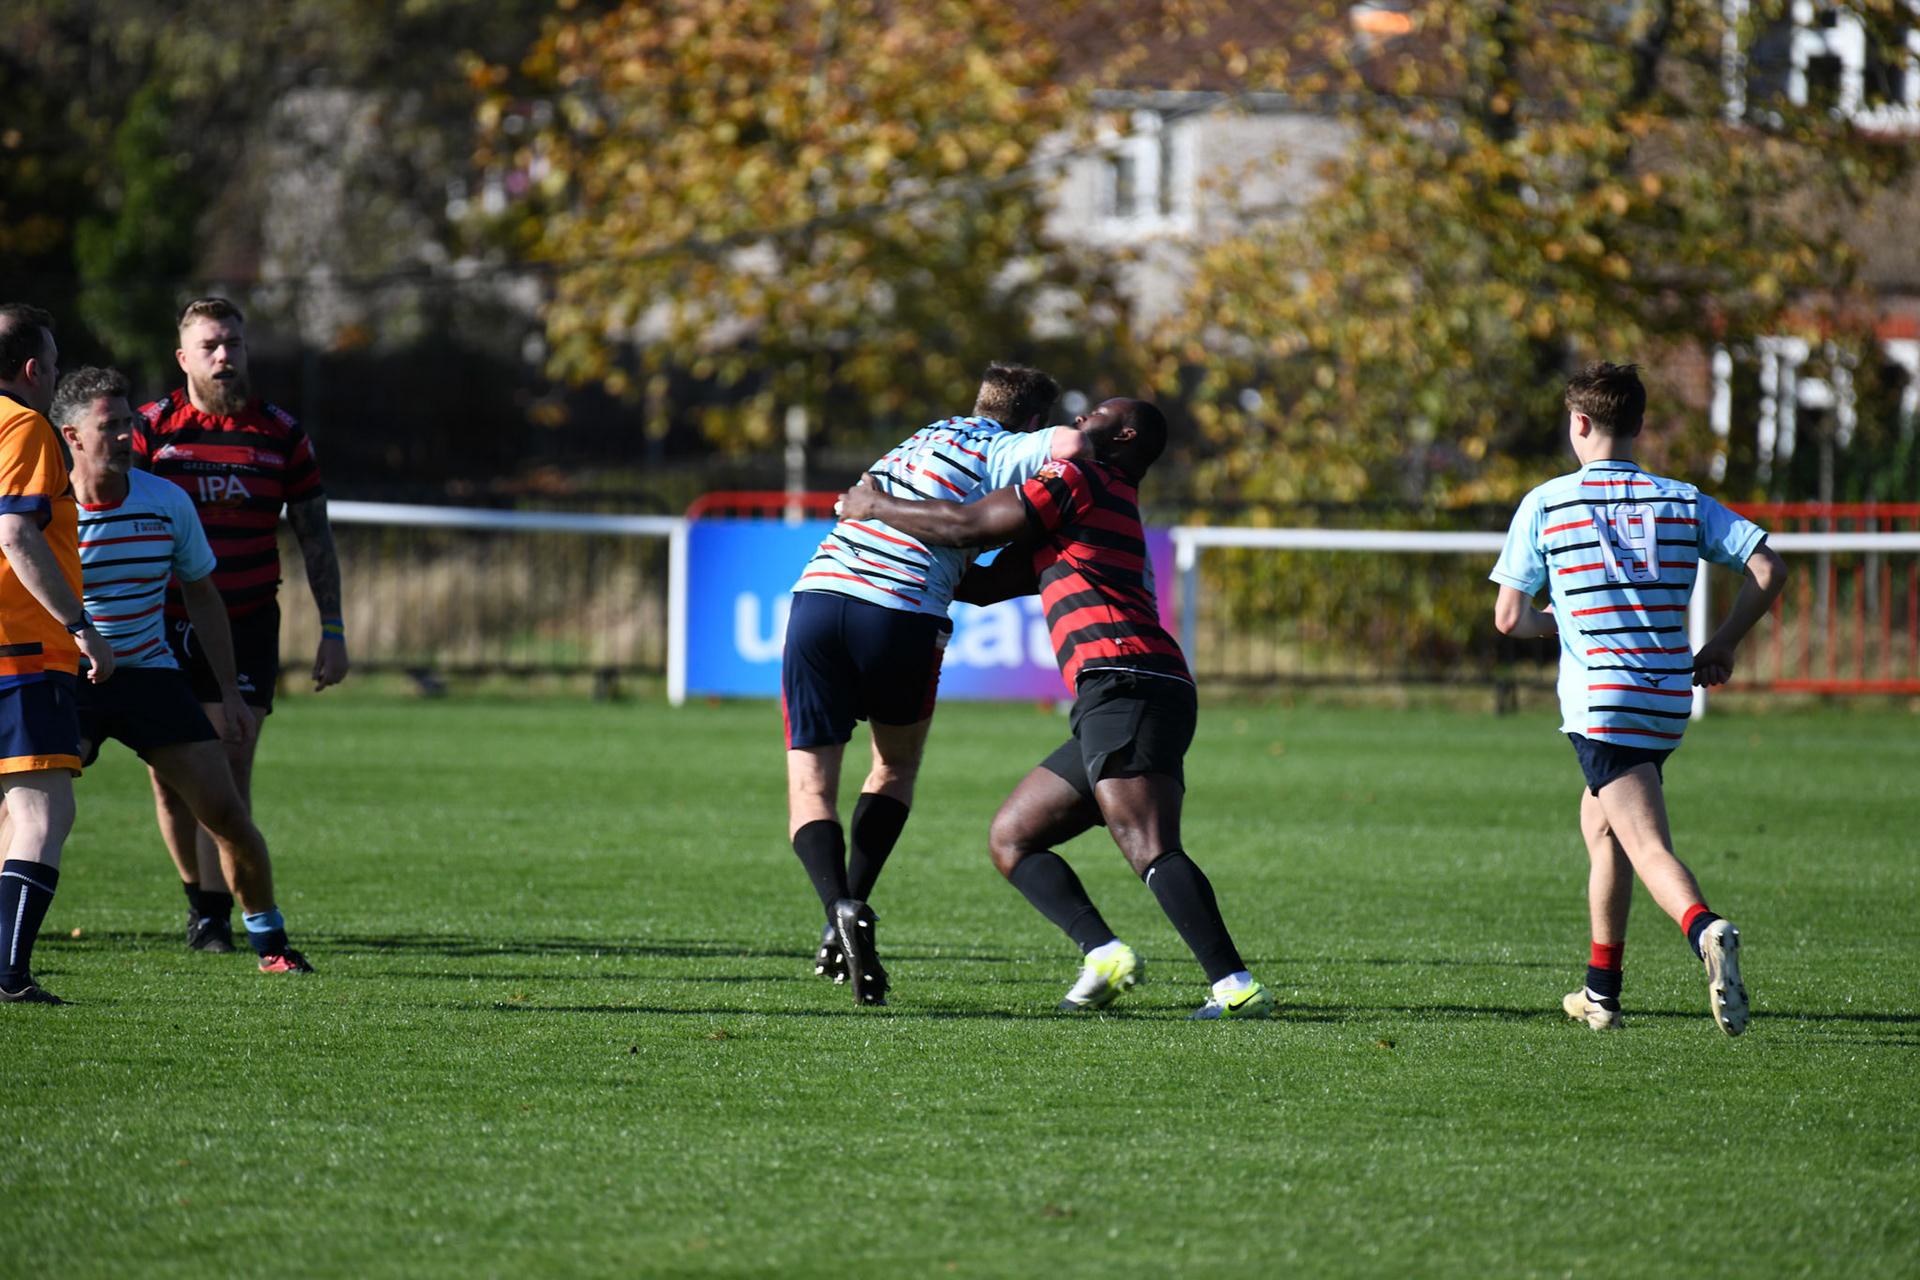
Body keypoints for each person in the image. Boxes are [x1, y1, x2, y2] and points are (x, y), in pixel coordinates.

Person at [838, 398, 1275, 1020]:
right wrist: (896, 538)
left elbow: (970, 526)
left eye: (1096, 411)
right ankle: (1103, 954)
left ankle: (1235, 986)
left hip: (1129, 680)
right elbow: (981, 583)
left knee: (1146, 841)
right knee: (1014, 838)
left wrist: (875, 506)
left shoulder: (1083, 478)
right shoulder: (1084, 510)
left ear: (1123, 434)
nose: (1078, 416)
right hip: (1121, 690)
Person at [1490, 361, 1787, 1036]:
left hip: (1603, 701)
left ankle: (1705, 930)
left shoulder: (1548, 502)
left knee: (1645, 844)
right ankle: (1601, 995)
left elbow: (1509, 618)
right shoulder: (1682, 500)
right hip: (1665, 699)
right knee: (1603, 828)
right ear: (1639, 425)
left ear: (1580, 423)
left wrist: (1556, 620)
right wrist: (1723, 643)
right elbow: (1769, 566)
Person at [785, 362, 1087, 1006]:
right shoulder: (1009, 445)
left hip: (817, 597)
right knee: (893, 768)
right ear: (1031, 418)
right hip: (901, 609)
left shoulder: (922, 436)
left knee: (811, 787)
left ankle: (837, 908)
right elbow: (1071, 446)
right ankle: (854, 904)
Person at [47, 366, 312, 973]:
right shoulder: (44, 510)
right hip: (71, 677)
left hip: (151, 677)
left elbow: (201, 595)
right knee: (31, 810)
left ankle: (271, 944)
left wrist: (229, 693)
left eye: (127, 424)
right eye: (106, 426)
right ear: (72, 435)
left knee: (227, 816)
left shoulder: (166, 500)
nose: (122, 436)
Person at [135, 297, 347, 953]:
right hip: (164, 626)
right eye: (210, 346)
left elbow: (315, 538)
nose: (224, 355)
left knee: (227, 766)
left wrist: (333, 629)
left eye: (233, 343)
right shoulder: (150, 432)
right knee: (171, 787)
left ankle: (222, 918)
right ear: (184, 358)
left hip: (250, 621)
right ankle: (200, 906)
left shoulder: (282, 434)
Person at [0, 304, 116, 1005]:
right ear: (36, 369)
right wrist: (81, 626)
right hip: (19, 650)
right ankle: (9, 975)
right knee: (45, 814)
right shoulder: (26, 427)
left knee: (16, 815)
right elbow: (16, 534)